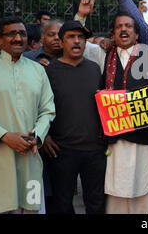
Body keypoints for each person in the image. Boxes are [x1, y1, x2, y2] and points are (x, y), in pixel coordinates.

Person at [0, 16, 55, 214]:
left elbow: (47, 109)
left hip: (29, 157)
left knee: (31, 206)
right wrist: (5, 137)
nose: (18, 38)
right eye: (11, 34)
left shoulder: (38, 71)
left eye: (22, 33)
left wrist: (36, 135)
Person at [101, 9, 148, 213]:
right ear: (113, 34)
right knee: (117, 191)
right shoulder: (106, 56)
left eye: (128, 26)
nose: (123, 30)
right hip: (116, 139)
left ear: (137, 34)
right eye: (119, 27)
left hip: (143, 137)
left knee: (144, 189)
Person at [43, 21, 106, 214]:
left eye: (81, 38)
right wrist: (44, 136)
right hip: (62, 150)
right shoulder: (48, 71)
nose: (77, 41)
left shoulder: (95, 69)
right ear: (61, 43)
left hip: (95, 150)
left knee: (96, 204)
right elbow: (39, 107)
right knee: (62, 204)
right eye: (71, 37)